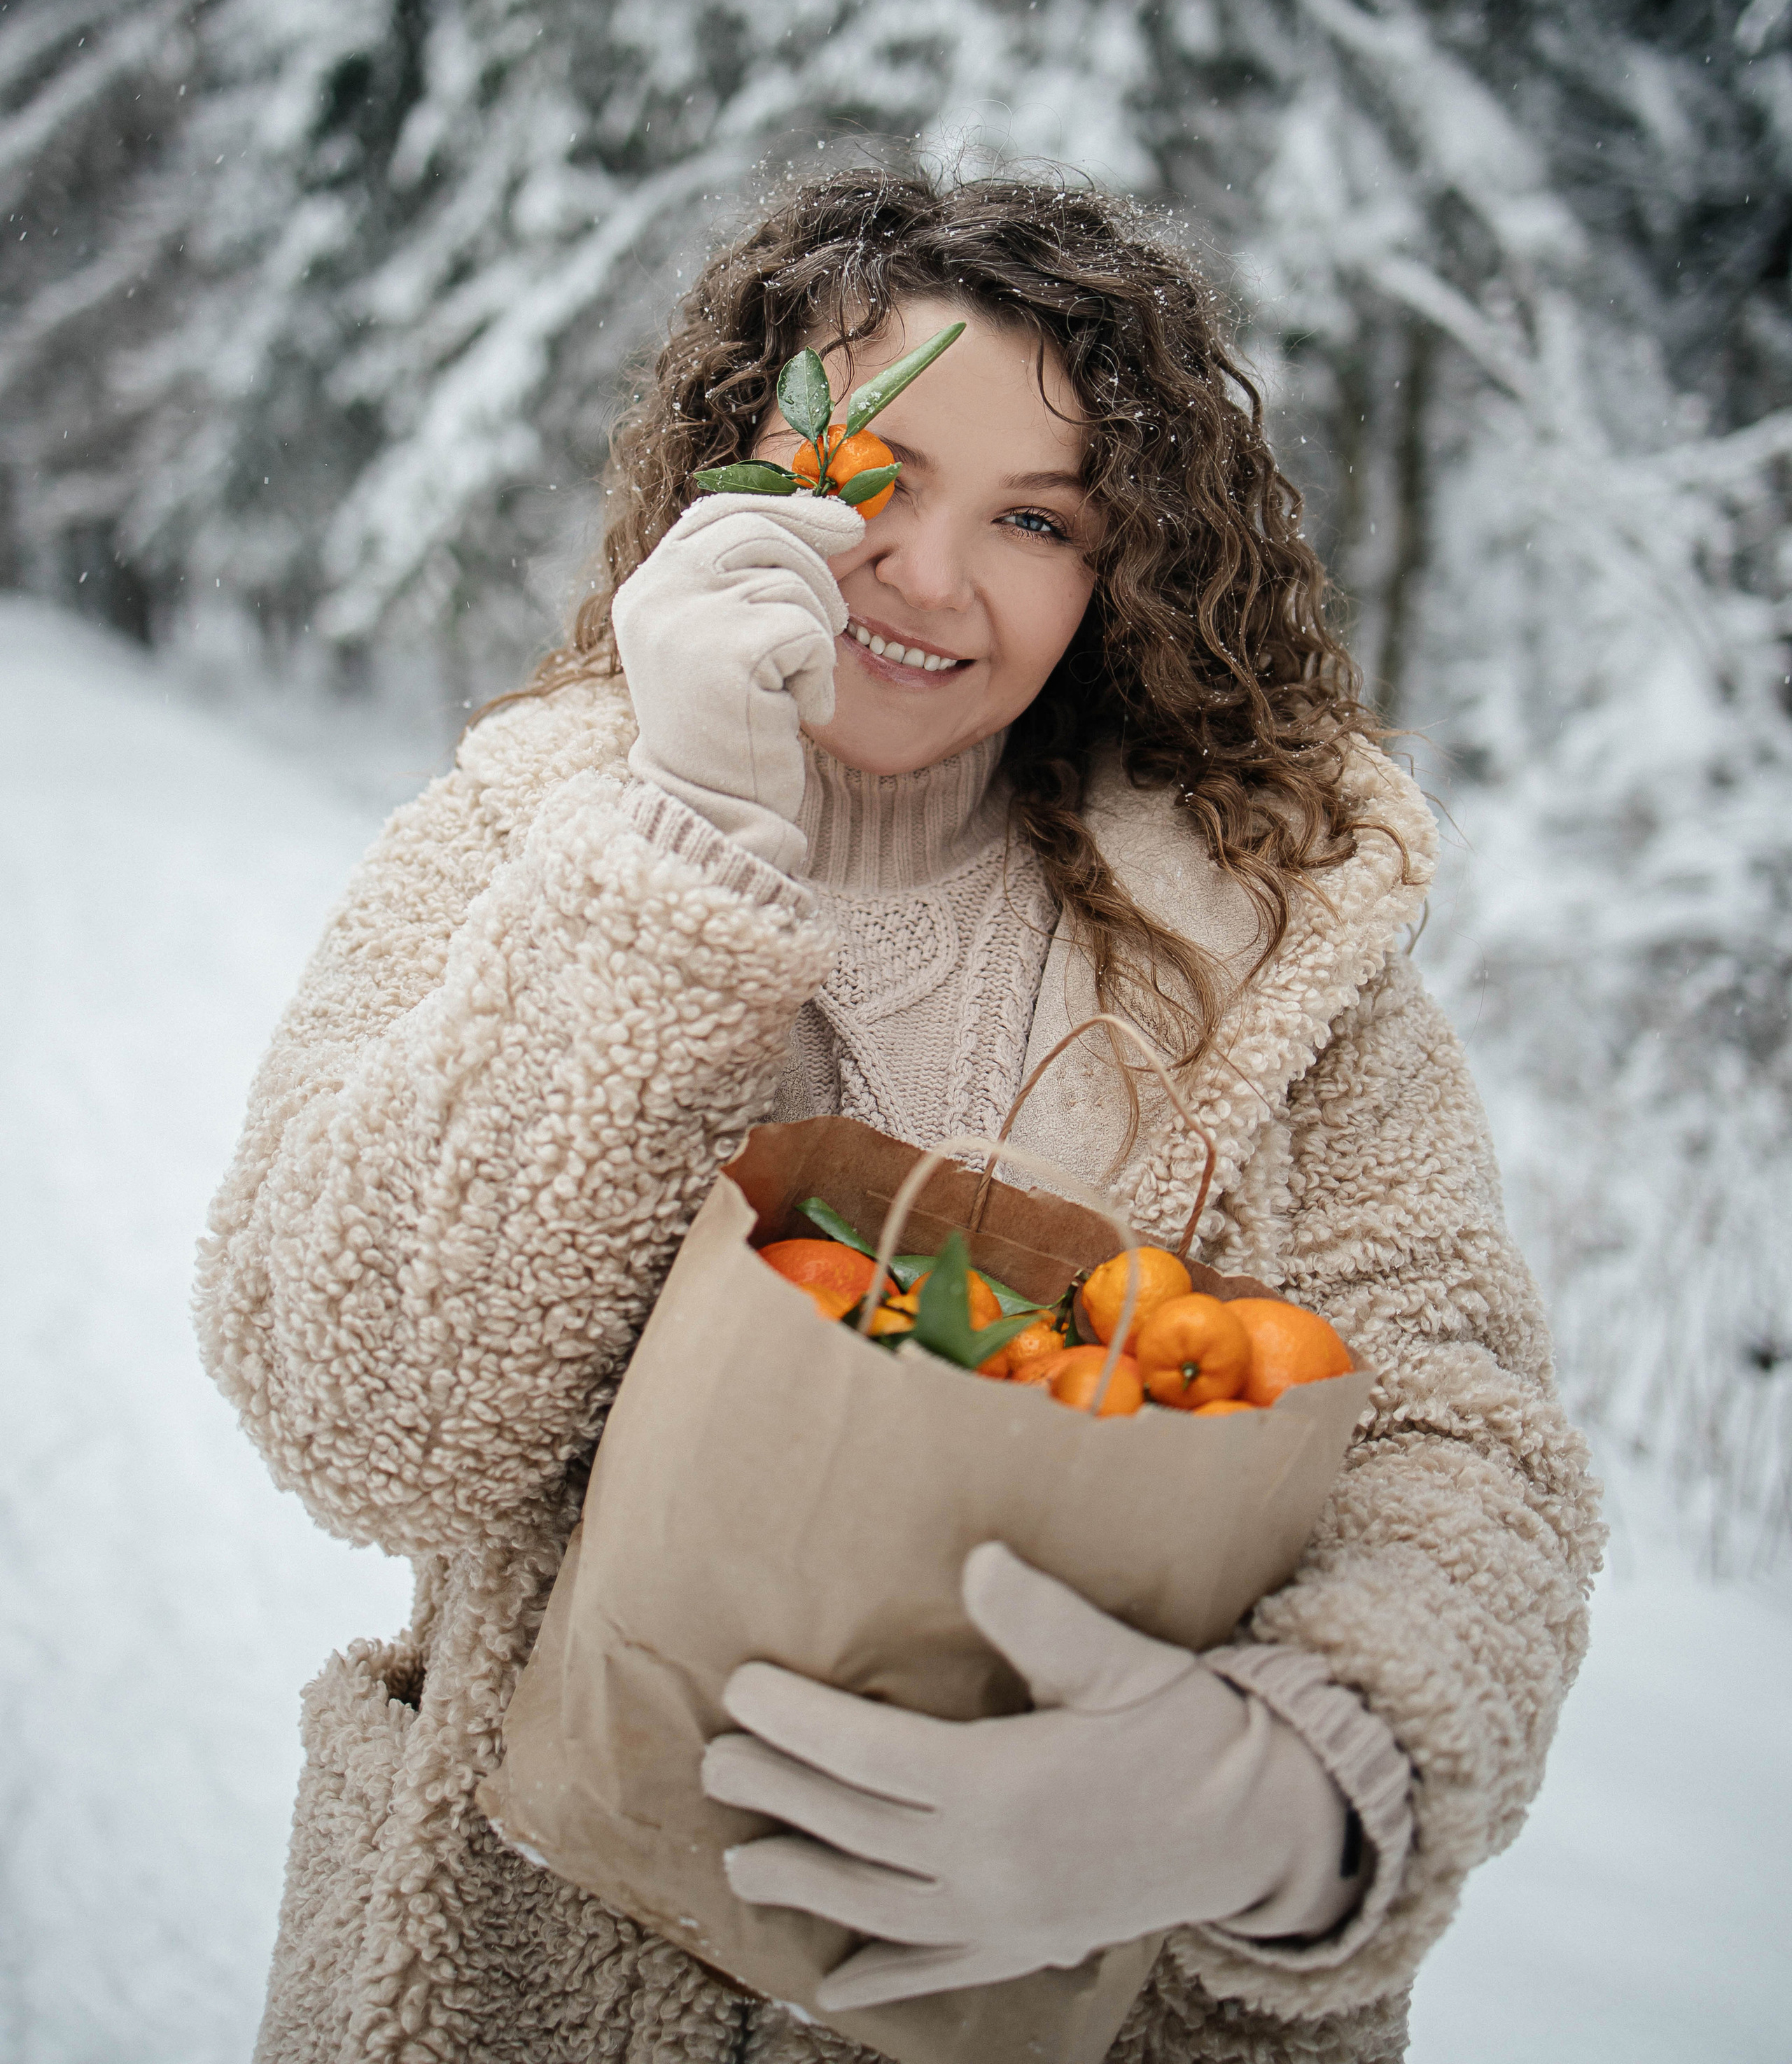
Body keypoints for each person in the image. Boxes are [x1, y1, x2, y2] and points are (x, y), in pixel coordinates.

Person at [196, 171, 1601, 2064]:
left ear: (1122, 572)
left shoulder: (1275, 943)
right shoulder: (521, 840)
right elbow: (360, 1409)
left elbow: (1467, 1444)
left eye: (1035, 518)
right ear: (735, 467)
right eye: (866, 466)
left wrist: (1273, 1790)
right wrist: (682, 841)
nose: (930, 577)